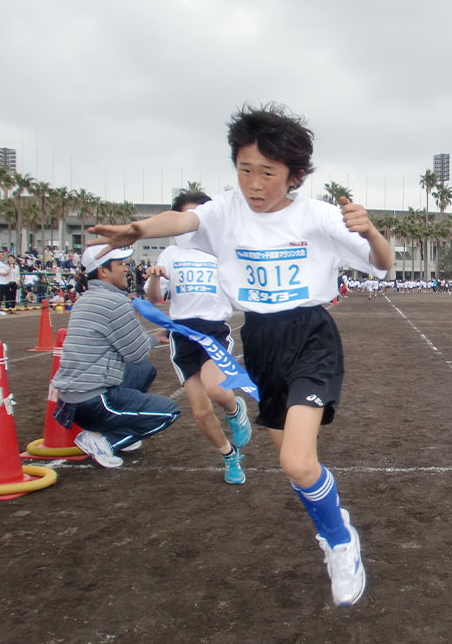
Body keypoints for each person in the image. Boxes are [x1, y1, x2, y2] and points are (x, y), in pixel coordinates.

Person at [87, 103, 393, 607]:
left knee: (296, 462)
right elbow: (181, 218)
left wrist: (372, 232)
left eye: (267, 172)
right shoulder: (224, 211)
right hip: (261, 341)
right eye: (244, 168)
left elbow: (380, 265)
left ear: (293, 175)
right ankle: (330, 528)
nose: (253, 182)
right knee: (294, 462)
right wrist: (137, 231)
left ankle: (341, 541)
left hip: (311, 336)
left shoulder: (316, 216)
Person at [144, 190, 252, 485]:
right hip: (182, 334)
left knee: (215, 389)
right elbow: (154, 299)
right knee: (201, 412)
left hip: (213, 330)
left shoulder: (222, 251)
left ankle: (234, 408)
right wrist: (155, 276)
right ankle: (229, 455)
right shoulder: (171, 254)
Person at [51, 245, 181, 468]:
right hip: (93, 400)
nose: (126, 269)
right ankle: (107, 441)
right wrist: (154, 337)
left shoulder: (85, 299)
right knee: (168, 412)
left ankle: (115, 430)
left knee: (145, 370)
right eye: (120, 264)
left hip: (70, 400)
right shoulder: (114, 303)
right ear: (103, 272)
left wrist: (152, 337)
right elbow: (136, 352)